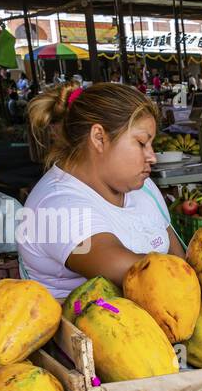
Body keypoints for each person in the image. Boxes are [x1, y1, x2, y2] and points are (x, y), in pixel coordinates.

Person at [21, 82, 183, 299]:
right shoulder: (56, 207)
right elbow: (143, 276)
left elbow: (179, 260)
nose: (152, 157)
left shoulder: (143, 188)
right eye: (141, 143)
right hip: (85, 330)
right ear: (99, 138)